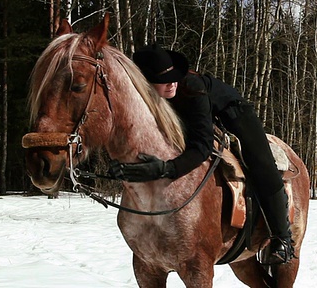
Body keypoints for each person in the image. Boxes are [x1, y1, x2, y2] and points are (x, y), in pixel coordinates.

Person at [108, 43, 293, 265]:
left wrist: (168, 169)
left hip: (232, 112)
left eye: (174, 76)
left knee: (261, 162)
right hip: (191, 119)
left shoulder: (191, 88)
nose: (172, 83)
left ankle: (283, 238)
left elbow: (202, 145)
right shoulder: (144, 99)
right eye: (163, 80)